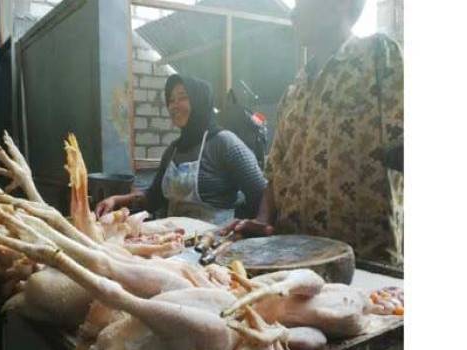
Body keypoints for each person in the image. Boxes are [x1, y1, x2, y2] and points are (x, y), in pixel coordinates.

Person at [225, 0, 404, 267]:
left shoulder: (378, 57)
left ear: (338, 7)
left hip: (364, 262)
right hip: (293, 260)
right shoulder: (295, 89)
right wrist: (263, 220)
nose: (294, 12)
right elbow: (275, 171)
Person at [96, 74, 267, 226]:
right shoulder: (173, 150)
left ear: (199, 101)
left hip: (213, 246)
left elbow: (261, 193)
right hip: (174, 242)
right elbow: (153, 198)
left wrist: (246, 227)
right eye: (170, 100)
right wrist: (117, 200)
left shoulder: (224, 143)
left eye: (182, 97)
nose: (174, 105)